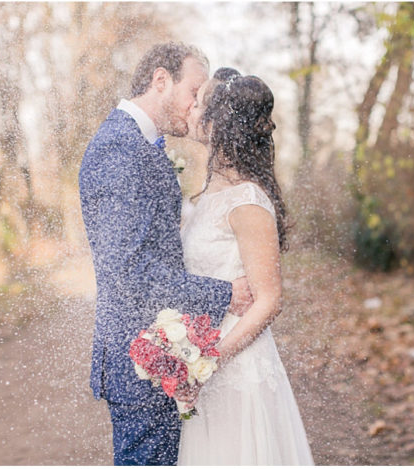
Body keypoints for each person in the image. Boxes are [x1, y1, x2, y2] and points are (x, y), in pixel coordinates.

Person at [78, 43, 253, 466]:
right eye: (195, 91)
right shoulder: (120, 150)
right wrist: (223, 294)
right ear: (161, 80)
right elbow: (130, 273)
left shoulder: (140, 146)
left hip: (161, 356)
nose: (200, 105)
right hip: (139, 363)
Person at [177, 70, 314, 465]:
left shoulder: (248, 200)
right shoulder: (205, 197)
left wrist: (211, 359)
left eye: (200, 102)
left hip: (236, 368)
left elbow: (269, 301)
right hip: (202, 359)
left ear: (218, 122)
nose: (193, 107)